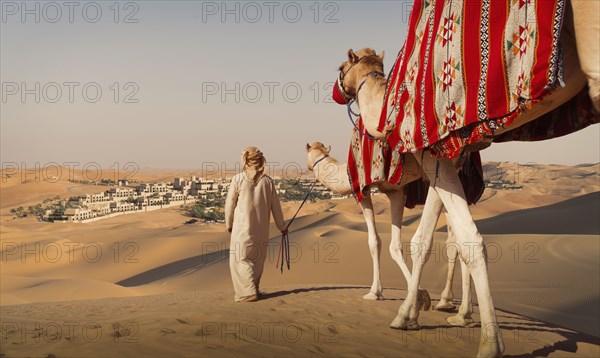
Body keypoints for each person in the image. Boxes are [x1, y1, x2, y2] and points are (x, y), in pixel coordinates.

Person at [225, 147, 287, 302]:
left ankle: (248, 293)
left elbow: (229, 204)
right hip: (262, 230)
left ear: (245, 160)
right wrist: (282, 227)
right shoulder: (268, 181)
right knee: (257, 260)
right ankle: (254, 289)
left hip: (242, 228)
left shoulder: (238, 179)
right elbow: (276, 208)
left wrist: (229, 223)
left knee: (241, 259)